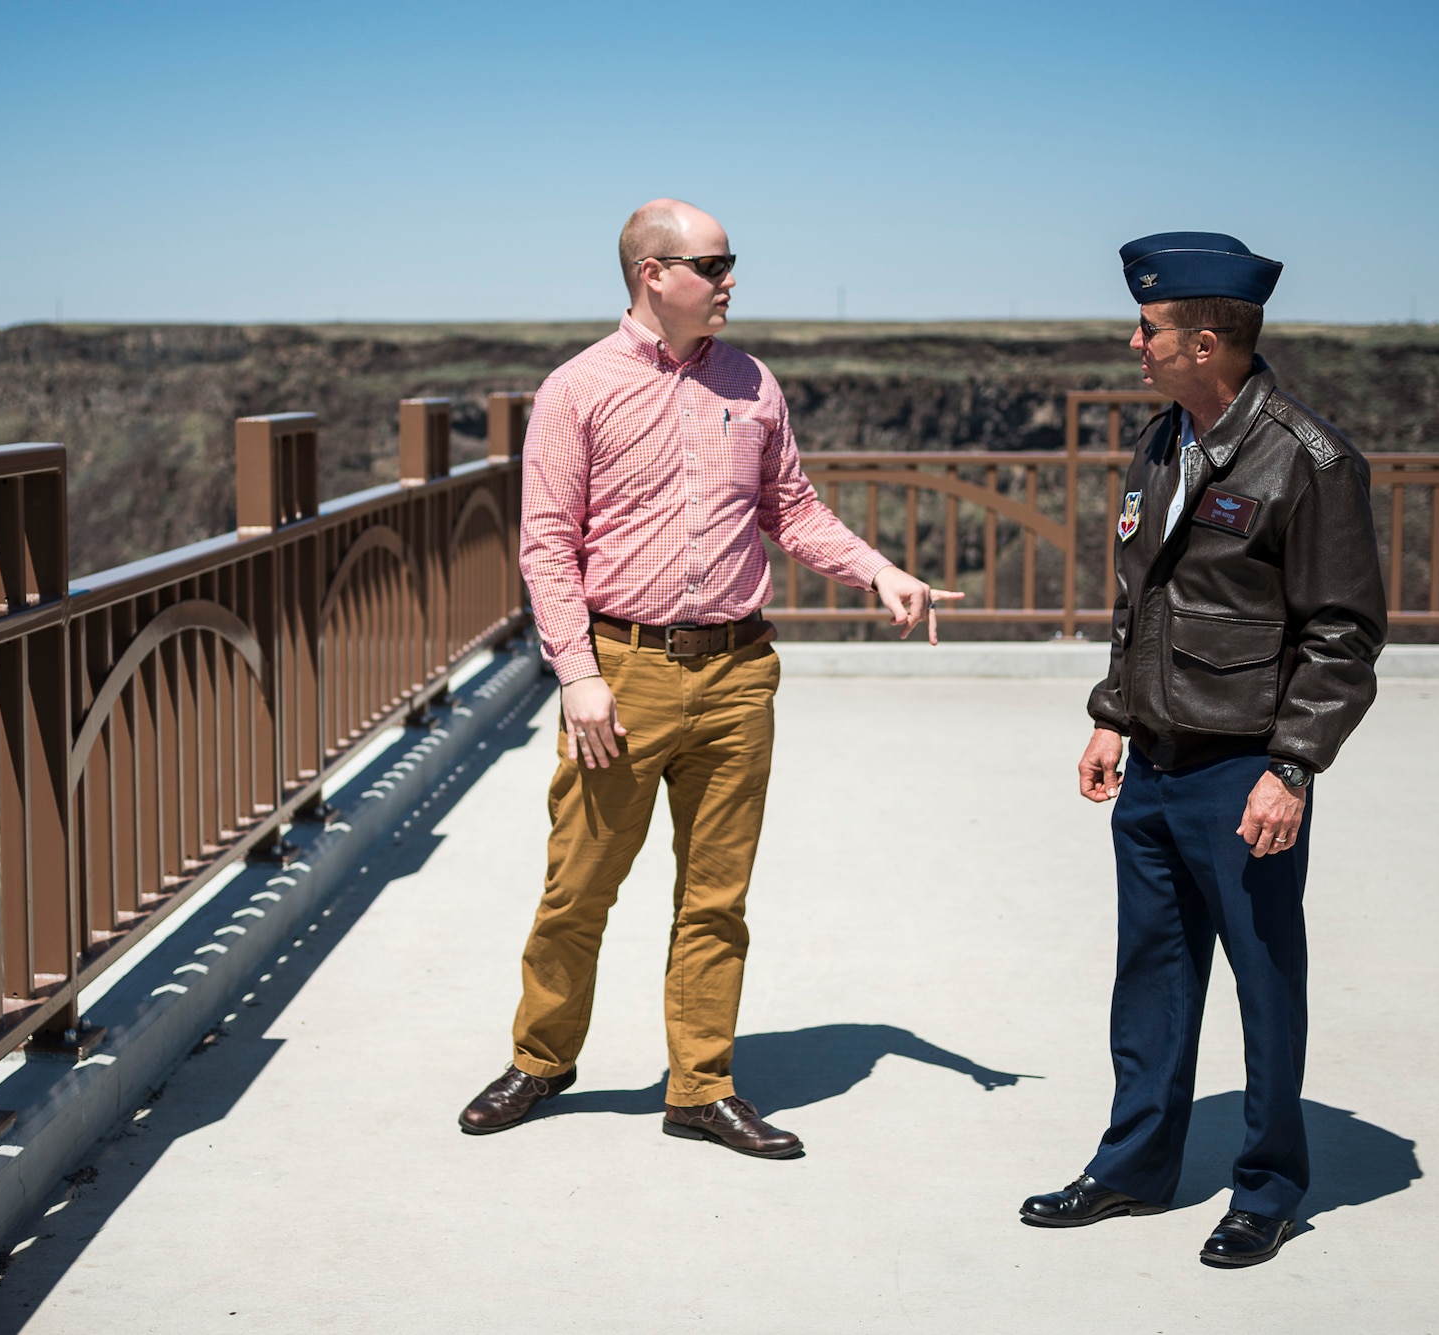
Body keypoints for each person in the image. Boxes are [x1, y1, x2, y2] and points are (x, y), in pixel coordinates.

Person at [457, 199, 961, 1156]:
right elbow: (548, 546)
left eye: (733, 262)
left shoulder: (752, 381)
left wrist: (880, 570)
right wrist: (578, 672)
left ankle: (700, 1085)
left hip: (738, 673)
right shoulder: (577, 389)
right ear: (653, 272)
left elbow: (793, 508)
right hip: (624, 674)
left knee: (717, 896)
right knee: (580, 886)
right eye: (713, 263)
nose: (731, 279)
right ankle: (540, 1058)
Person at [1019, 233, 1388, 1265]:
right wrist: (1110, 712)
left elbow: (1339, 635)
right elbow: (1142, 601)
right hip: (1154, 763)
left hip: (1241, 772)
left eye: (1148, 328)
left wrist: (1292, 766)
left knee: (1263, 981)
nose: (1131, 342)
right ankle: (1132, 1167)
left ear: (1207, 339)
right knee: (1151, 974)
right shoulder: (1159, 442)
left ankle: (1265, 1189)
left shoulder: (1308, 462)